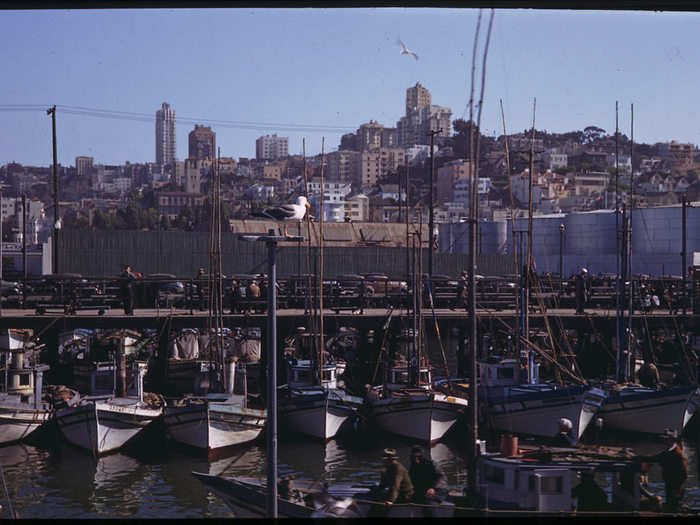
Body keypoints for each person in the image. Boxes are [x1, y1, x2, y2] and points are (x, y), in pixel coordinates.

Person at [636, 429, 688, 512]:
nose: (664, 441)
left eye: (666, 439)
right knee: (671, 504)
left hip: (676, 485)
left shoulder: (675, 454)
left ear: (671, 440)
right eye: (664, 439)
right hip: (671, 483)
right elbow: (656, 458)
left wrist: (637, 457)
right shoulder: (670, 451)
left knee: (673, 505)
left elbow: (683, 474)